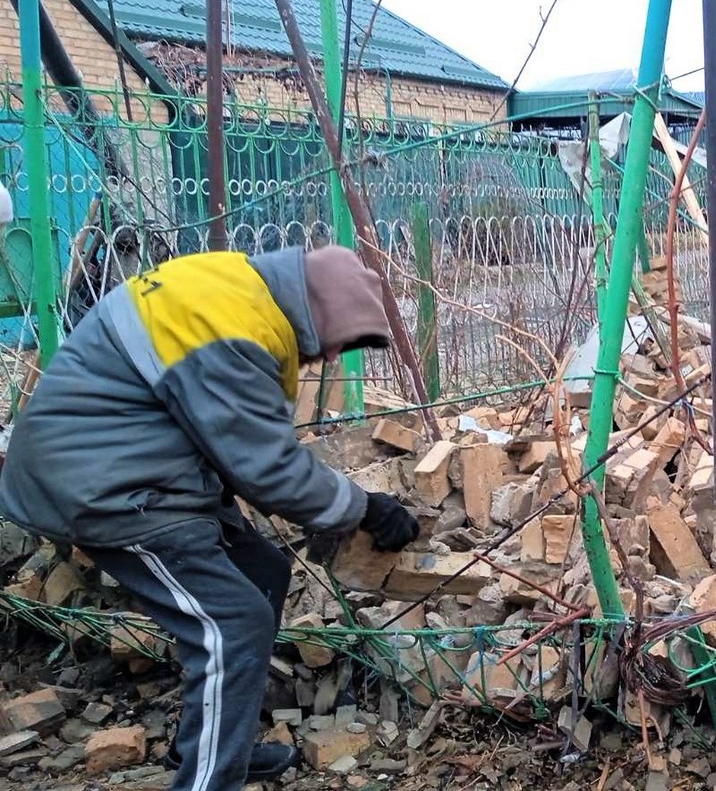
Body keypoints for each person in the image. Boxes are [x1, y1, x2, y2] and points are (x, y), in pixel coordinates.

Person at [0, 244, 421, 790]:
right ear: (321, 313)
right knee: (235, 622)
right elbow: (264, 467)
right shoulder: (232, 331)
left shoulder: (232, 290)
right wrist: (364, 508)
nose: (328, 359)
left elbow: (239, 442)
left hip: (130, 461)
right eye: (338, 344)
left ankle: (207, 751)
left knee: (262, 573)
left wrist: (329, 509)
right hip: (100, 488)